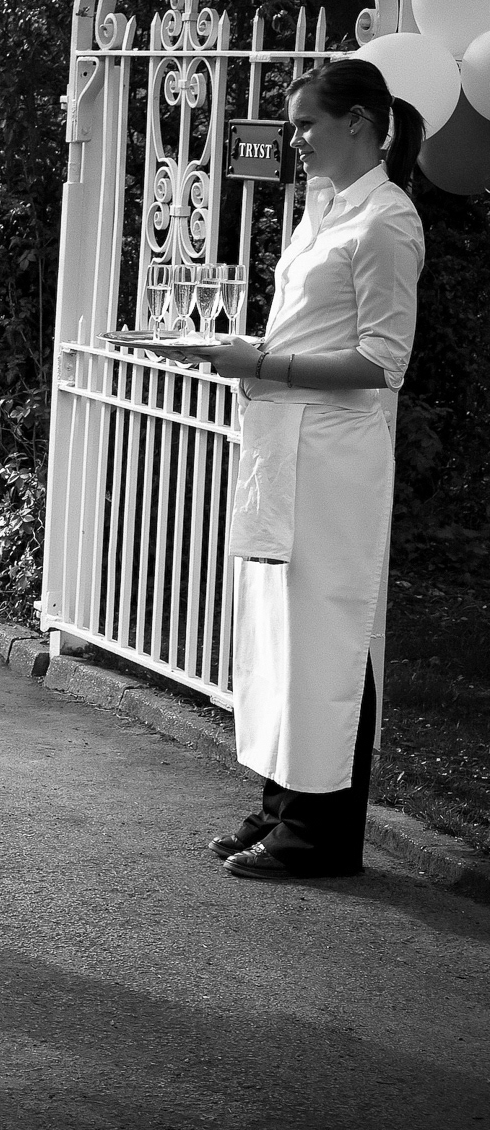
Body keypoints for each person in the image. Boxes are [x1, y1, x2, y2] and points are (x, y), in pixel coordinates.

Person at [163, 58, 423, 881]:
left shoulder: (386, 220)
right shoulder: (324, 212)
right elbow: (306, 335)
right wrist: (248, 360)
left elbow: (385, 361)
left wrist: (263, 365)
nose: (297, 139)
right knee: (278, 631)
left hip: (337, 457)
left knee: (328, 635)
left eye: (308, 123)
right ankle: (284, 804)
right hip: (288, 445)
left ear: (358, 122)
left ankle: (323, 835)